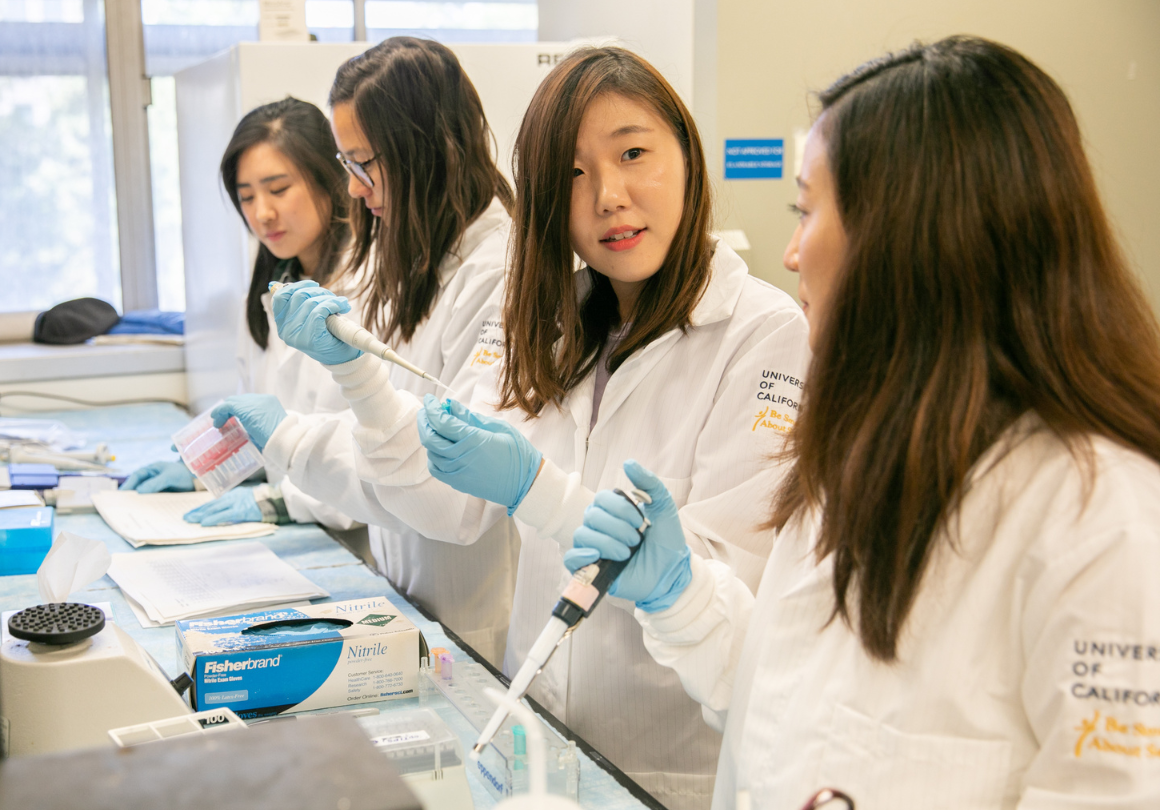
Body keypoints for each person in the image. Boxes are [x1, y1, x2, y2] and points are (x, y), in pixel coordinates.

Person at [572, 36, 1160, 809]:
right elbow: (781, 700)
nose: (789, 252)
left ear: (917, 236)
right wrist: (681, 598)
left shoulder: (1099, 520)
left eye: (807, 211)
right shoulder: (863, 452)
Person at [268, 47, 810, 809]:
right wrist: (357, 377)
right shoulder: (551, 323)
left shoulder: (763, 334)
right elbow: (444, 505)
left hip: (663, 770)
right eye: (572, 175)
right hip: (539, 747)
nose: (610, 197)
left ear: (687, 156)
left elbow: (718, 579)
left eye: (633, 154)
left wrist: (540, 490)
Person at [200, 37, 522, 666]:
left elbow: (453, 495)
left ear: (423, 151)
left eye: (361, 163)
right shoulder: (413, 255)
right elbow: (379, 443)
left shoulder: (498, 271)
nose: (353, 189)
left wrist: (289, 456)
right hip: (405, 590)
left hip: (472, 605)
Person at [121, 97, 358, 530]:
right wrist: (204, 468)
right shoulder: (270, 290)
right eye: (247, 197)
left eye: (279, 189)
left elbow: (371, 451)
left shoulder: (364, 293)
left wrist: (277, 503)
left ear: (330, 179)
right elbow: (257, 418)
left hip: (353, 536)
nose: (262, 213)